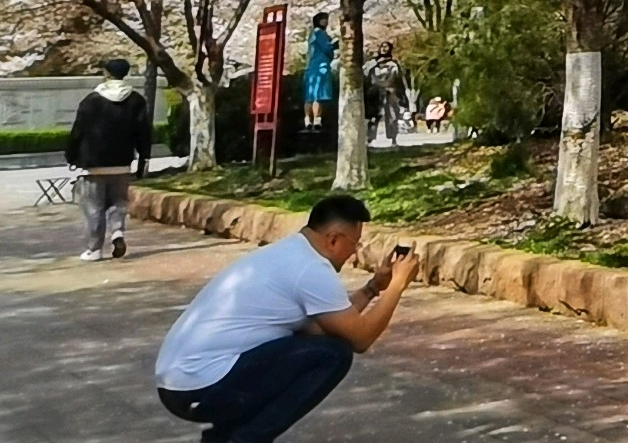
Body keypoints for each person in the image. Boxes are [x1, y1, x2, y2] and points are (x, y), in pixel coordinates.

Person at [155, 193, 420, 443]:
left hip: (182, 383)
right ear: (333, 240)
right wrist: (398, 284)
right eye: (354, 244)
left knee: (316, 346)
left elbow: (325, 328)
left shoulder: (291, 253)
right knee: (334, 355)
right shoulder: (311, 269)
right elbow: (360, 339)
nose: (354, 252)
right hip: (201, 386)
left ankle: (223, 438)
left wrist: (373, 287)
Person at [65, 57, 150, 262]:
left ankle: (94, 249)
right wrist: (143, 159)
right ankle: (117, 232)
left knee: (94, 207)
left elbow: (78, 131)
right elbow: (143, 133)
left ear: (106, 73)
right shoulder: (136, 100)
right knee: (118, 202)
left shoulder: (91, 100)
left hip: (94, 163)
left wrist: (71, 156)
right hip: (122, 162)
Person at [364, 43, 408, 146]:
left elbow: (399, 79)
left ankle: (393, 139)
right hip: (375, 92)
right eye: (382, 47)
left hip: (390, 92)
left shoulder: (394, 64)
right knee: (373, 116)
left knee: (392, 116)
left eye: (386, 47)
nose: (384, 49)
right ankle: (369, 139)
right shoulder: (372, 63)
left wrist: (403, 95)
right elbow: (365, 75)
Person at [302, 14, 335, 131]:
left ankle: (307, 119)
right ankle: (317, 119)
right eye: (323, 19)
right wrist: (334, 45)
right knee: (318, 95)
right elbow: (327, 48)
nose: (326, 22)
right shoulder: (320, 33)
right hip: (321, 66)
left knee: (309, 96)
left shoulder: (312, 34)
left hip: (311, 66)